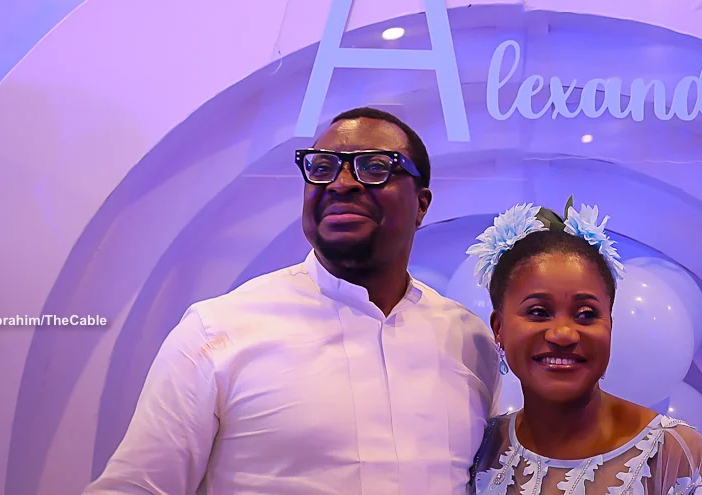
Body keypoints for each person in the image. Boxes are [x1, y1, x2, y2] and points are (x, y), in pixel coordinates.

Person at [85, 107, 501, 495]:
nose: (341, 183)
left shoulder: (468, 339)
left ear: (421, 204)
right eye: (321, 168)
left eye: (375, 167)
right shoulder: (218, 330)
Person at [466, 202, 702, 495]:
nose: (563, 334)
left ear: (610, 326)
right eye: (539, 312)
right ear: (499, 328)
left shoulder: (670, 453)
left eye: (586, 314)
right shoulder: (480, 449)